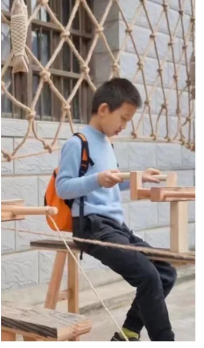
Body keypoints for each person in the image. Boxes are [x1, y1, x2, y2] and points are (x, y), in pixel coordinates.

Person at [56, 78, 177, 341]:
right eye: (123, 118)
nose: (124, 125)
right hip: (92, 227)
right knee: (147, 276)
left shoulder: (109, 143)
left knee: (165, 272)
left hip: (116, 227)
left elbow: (109, 185)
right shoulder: (78, 143)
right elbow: (62, 188)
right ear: (103, 110)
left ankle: (129, 332)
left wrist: (137, 177)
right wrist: (97, 179)